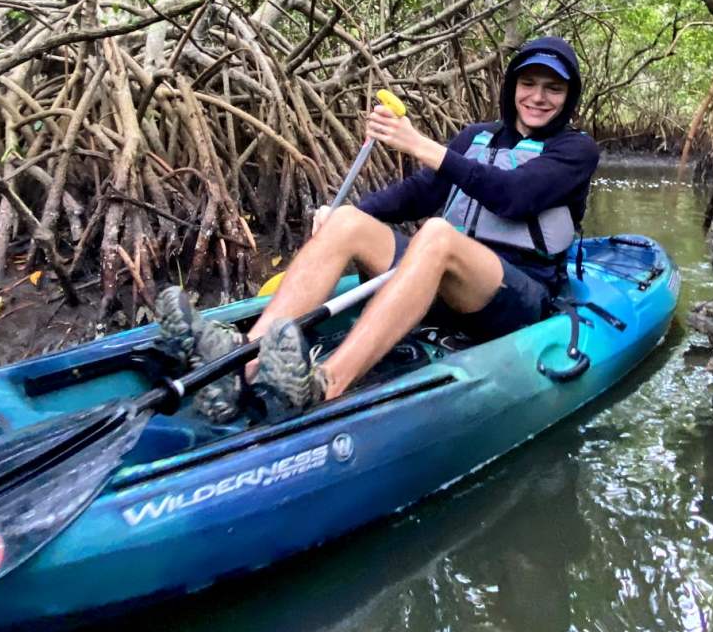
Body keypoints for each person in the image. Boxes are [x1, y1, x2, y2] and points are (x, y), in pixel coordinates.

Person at [155, 36, 599, 420]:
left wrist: (418, 143)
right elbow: (420, 193)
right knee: (350, 220)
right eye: (529, 84)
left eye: (553, 88)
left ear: (568, 97)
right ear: (512, 88)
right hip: (445, 285)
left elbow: (513, 195)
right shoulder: (476, 138)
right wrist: (347, 214)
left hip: (518, 296)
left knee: (438, 235)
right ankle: (242, 364)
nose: (538, 97)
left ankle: (326, 383)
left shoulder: (576, 151)